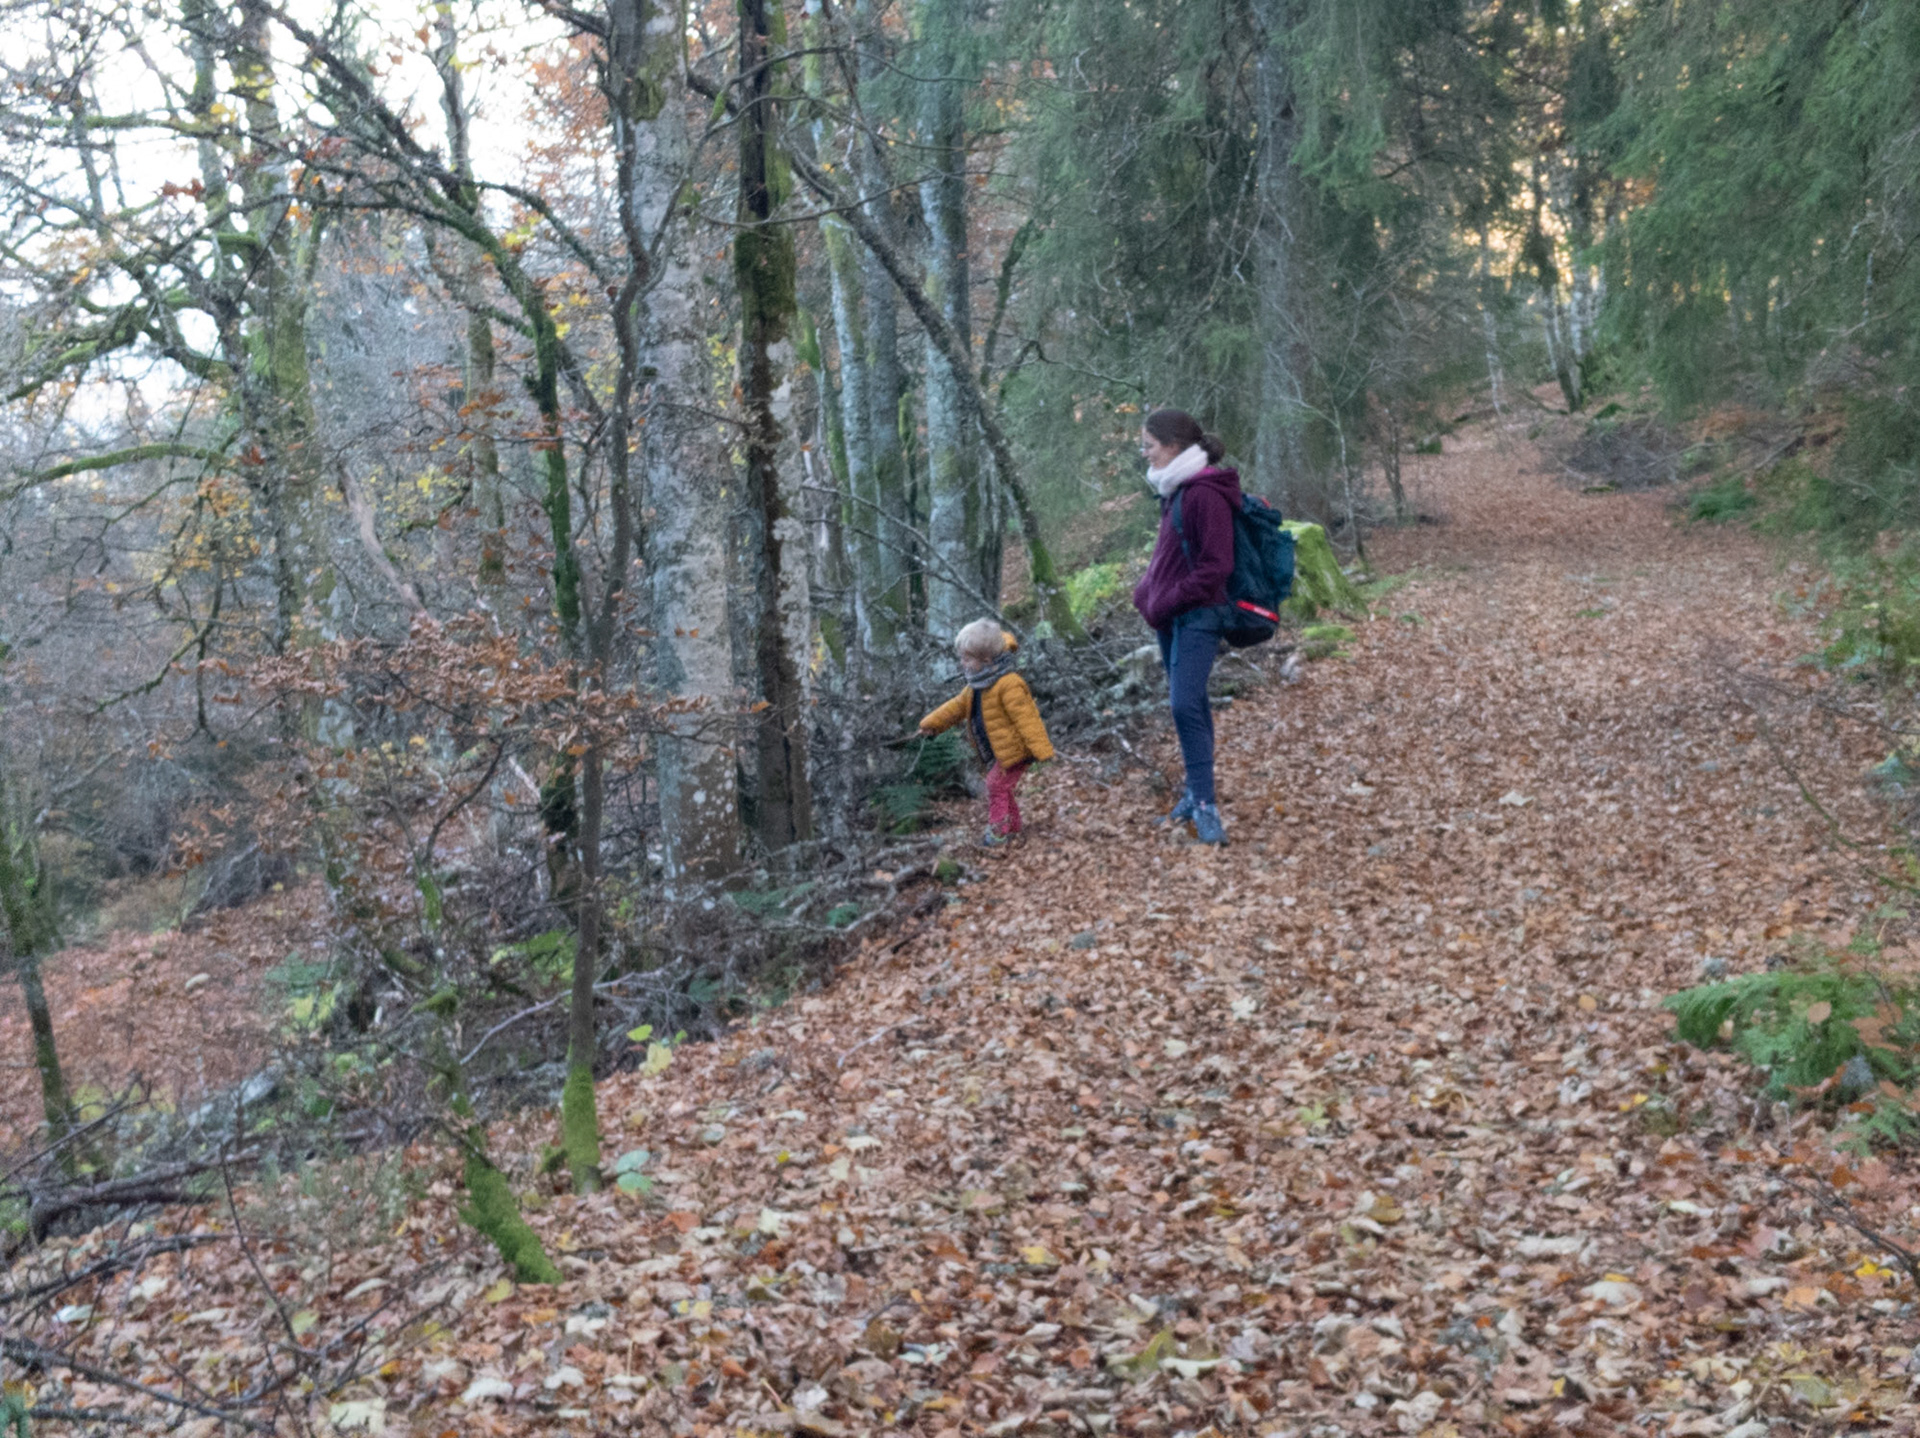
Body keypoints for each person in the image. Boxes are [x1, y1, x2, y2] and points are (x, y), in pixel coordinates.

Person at [1131, 407, 1239, 845]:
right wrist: (1145, 594)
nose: (1145, 454)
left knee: (1183, 704)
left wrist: (1167, 600)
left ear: (1173, 446)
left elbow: (1217, 567)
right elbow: (1168, 559)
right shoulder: (1174, 490)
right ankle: (1195, 795)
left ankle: (1206, 806)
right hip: (1171, 617)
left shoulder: (1204, 493)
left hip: (1199, 614)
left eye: (1149, 446)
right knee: (1189, 705)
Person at [919, 620, 1055, 846]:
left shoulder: (1009, 684)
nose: (962, 663)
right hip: (1000, 752)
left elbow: (1027, 718)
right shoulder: (977, 685)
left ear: (986, 661)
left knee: (995, 785)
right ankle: (1013, 826)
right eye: (962, 657)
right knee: (1001, 787)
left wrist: (1042, 750)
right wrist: (930, 724)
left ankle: (998, 833)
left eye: (967, 658)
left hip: (1016, 751)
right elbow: (955, 707)